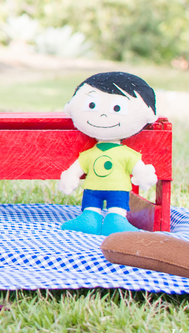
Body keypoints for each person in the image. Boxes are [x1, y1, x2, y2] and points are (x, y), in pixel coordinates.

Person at [58, 71, 158, 235]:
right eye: (92, 106)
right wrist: (70, 176)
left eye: (116, 108)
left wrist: (143, 175)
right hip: (93, 189)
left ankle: (116, 220)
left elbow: (137, 166)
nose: (103, 114)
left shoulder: (126, 154)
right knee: (90, 208)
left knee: (117, 210)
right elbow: (79, 166)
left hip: (117, 190)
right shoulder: (90, 154)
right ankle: (89, 219)